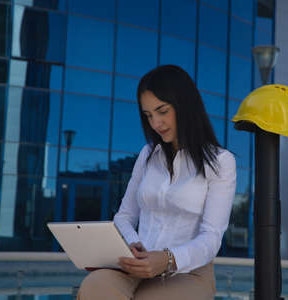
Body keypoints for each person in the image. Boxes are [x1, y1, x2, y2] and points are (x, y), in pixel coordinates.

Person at [77, 65, 237, 300]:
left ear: (185, 105)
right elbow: (123, 217)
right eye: (149, 115)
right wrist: (134, 246)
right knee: (95, 286)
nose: (156, 123)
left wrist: (167, 259)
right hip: (135, 265)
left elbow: (211, 238)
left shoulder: (221, 162)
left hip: (187, 272)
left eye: (162, 111)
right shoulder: (148, 154)